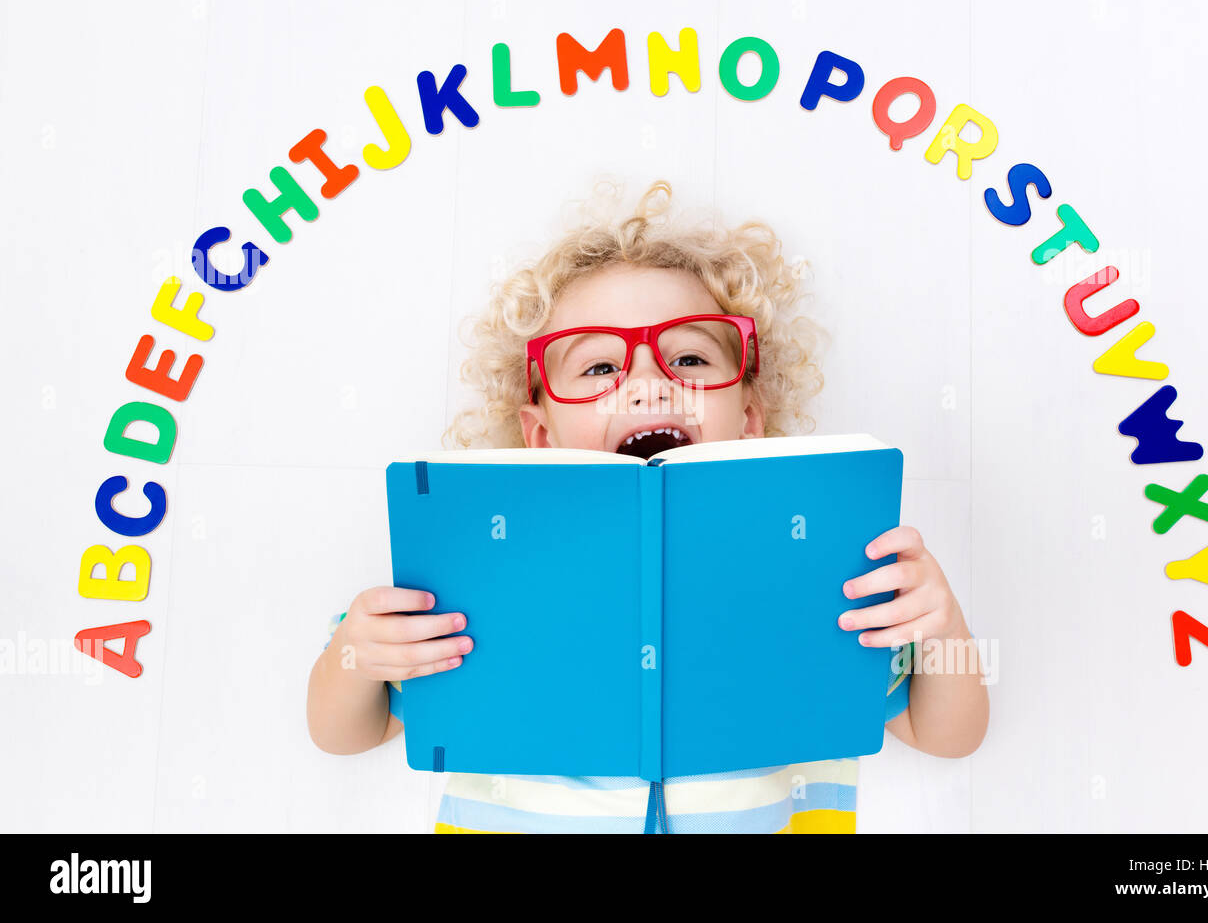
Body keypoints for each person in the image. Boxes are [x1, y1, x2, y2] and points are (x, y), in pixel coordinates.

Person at [307, 179, 989, 832]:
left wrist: (940, 622)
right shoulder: (479, 566)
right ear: (541, 435)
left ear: (749, 416)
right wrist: (357, 653)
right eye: (600, 367)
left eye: (689, 358)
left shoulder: (820, 565)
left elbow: (948, 735)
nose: (647, 383)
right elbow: (341, 733)